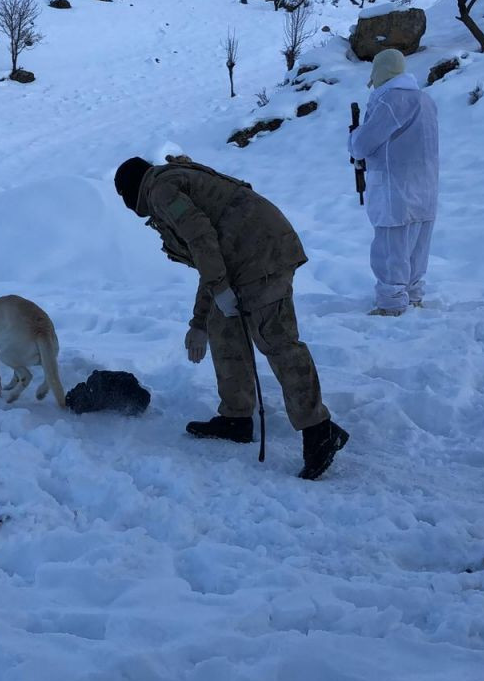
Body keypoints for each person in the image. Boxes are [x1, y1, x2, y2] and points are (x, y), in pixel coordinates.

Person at [114, 154, 349, 480]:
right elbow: (208, 258)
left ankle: (319, 429)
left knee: (277, 340)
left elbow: (200, 239)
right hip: (244, 256)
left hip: (263, 255)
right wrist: (199, 320)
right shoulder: (168, 182)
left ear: (130, 194)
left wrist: (222, 288)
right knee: (222, 325)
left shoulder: (161, 192)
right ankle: (236, 417)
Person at [348, 48, 440, 316]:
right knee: (417, 248)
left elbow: (364, 143)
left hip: (395, 190)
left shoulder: (390, 100)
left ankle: (391, 304)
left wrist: (354, 141)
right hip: (426, 188)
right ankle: (413, 296)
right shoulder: (426, 100)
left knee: (391, 249)